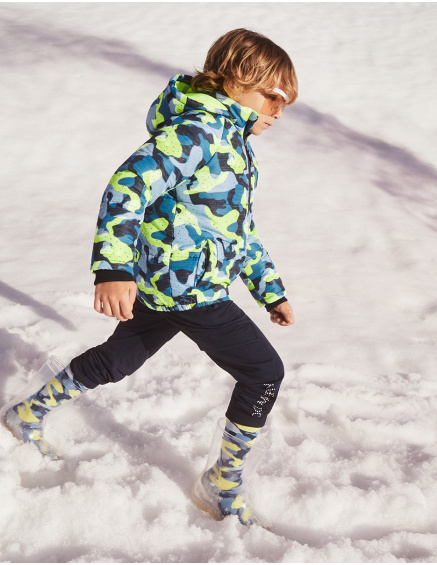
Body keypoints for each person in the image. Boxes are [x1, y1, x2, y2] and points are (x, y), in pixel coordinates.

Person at [4, 28, 298, 527]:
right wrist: (112, 268)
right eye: (273, 96)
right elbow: (127, 186)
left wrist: (270, 289)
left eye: (287, 103)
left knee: (116, 361)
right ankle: (222, 482)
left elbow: (237, 230)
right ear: (235, 81)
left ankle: (27, 414)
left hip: (172, 286)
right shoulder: (198, 133)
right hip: (192, 292)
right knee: (264, 372)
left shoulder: (231, 143)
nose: (278, 111)